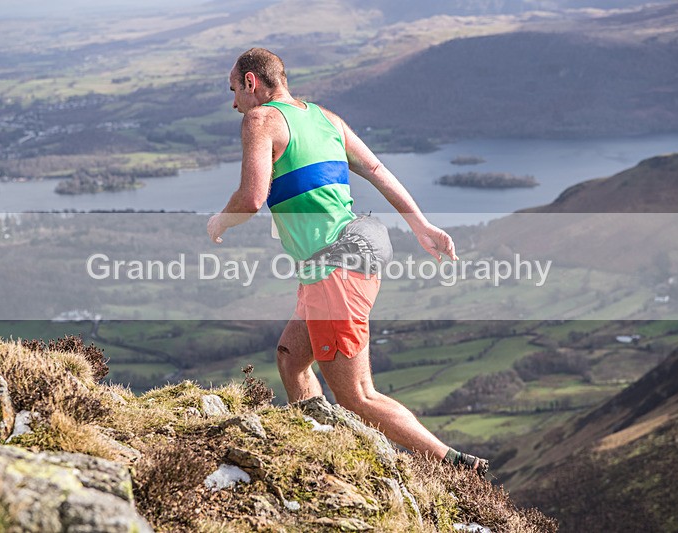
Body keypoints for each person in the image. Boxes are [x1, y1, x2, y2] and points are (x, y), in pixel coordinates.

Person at [207, 48, 488, 476]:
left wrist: (219, 222)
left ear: (251, 82)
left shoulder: (260, 119)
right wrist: (422, 226)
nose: (233, 104)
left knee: (357, 395)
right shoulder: (325, 118)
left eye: (233, 90)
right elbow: (376, 169)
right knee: (291, 357)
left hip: (335, 264)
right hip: (357, 245)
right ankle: (319, 447)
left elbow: (251, 197)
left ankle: (455, 463)